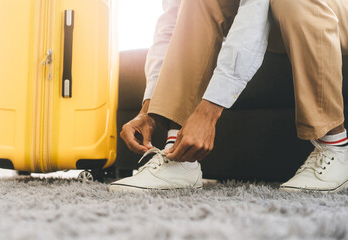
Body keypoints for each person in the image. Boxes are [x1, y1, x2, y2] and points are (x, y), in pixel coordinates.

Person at [110, 0, 348, 193]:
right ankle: (179, 154)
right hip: (278, 16)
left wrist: (209, 111)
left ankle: (336, 148)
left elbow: (252, 22)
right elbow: (170, 28)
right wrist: (147, 109)